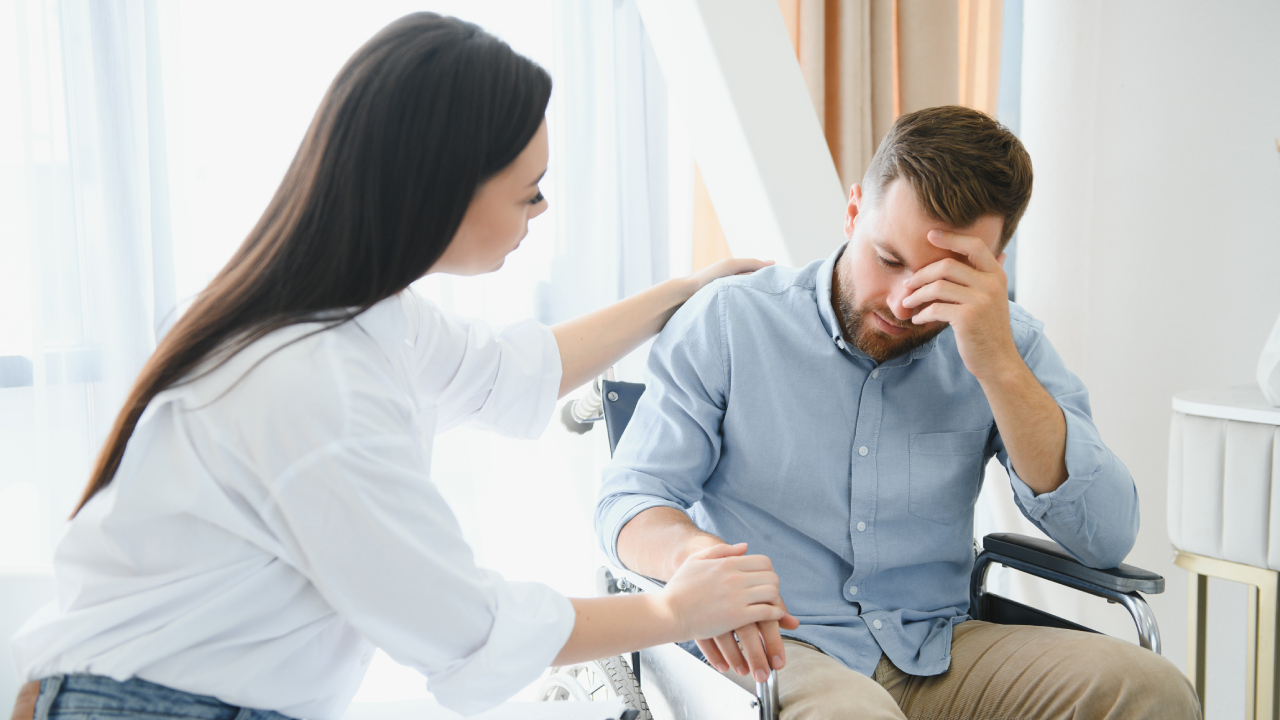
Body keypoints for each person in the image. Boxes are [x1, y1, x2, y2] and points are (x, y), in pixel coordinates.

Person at [9, 13, 798, 720]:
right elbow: (461, 624)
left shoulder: (356, 313)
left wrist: (685, 293)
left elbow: (507, 374)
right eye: (529, 192)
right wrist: (673, 614)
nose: (542, 211)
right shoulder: (311, 379)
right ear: (441, 191)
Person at [596, 105, 1201, 719]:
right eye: (887, 259)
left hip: (937, 648)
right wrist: (697, 560)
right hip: (781, 649)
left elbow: (1105, 537)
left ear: (993, 267)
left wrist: (998, 366)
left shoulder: (1008, 345)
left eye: (941, 277)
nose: (902, 301)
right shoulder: (730, 322)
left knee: (1152, 690)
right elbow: (629, 501)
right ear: (855, 211)